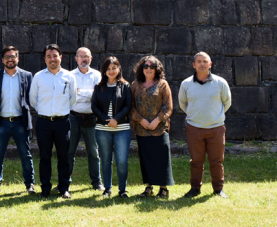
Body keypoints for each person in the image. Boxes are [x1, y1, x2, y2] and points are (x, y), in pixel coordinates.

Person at [179, 52, 232, 198]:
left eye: (205, 61)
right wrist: (196, 117)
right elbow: (183, 104)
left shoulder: (220, 83)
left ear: (210, 64)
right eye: (199, 61)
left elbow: (227, 103)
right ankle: (195, 188)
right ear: (194, 65)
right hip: (194, 128)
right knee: (196, 161)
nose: (202, 64)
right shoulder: (186, 84)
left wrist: (214, 117)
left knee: (216, 161)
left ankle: (218, 189)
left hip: (216, 128)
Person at [29, 44, 77, 199]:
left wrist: (60, 111)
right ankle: (45, 188)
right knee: (44, 156)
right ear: (44, 59)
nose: (52, 59)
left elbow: (72, 99)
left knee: (64, 156)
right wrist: (44, 112)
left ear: (60, 57)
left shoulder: (69, 77)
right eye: (49, 56)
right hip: (44, 123)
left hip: (62, 122)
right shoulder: (38, 76)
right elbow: (33, 99)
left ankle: (64, 188)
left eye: (55, 55)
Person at [0, 46, 35, 196]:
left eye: (13, 56)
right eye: (7, 57)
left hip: (20, 121)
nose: (10, 59)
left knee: (25, 154)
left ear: (18, 58)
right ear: (2, 60)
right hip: (1, 122)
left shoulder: (27, 75)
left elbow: (30, 96)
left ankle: (30, 184)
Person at [130, 56, 174, 198]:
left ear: (157, 69)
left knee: (161, 158)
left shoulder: (163, 85)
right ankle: (149, 187)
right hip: (142, 129)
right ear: (141, 69)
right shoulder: (135, 85)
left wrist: (158, 120)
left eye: (152, 66)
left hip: (159, 128)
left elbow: (168, 106)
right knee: (146, 158)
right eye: (145, 66)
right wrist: (141, 120)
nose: (148, 69)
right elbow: (130, 106)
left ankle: (163, 188)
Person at [91, 56, 132, 199]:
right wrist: (106, 120)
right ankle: (107, 189)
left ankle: (122, 190)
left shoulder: (125, 86)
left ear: (119, 68)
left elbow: (128, 105)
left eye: (114, 68)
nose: (111, 71)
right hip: (103, 129)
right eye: (108, 69)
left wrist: (116, 119)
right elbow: (94, 106)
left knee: (122, 160)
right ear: (104, 71)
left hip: (122, 128)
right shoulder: (99, 87)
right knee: (106, 160)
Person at [68, 47, 104, 193]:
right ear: (76, 58)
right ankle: (65, 182)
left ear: (91, 58)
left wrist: (80, 93)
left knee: (94, 152)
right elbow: (71, 95)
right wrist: (90, 93)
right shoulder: (69, 75)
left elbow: (99, 96)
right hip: (73, 116)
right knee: (69, 151)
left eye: (86, 56)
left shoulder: (97, 75)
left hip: (91, 117)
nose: (84, 59)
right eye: (81, 56)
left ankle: (97, 182)